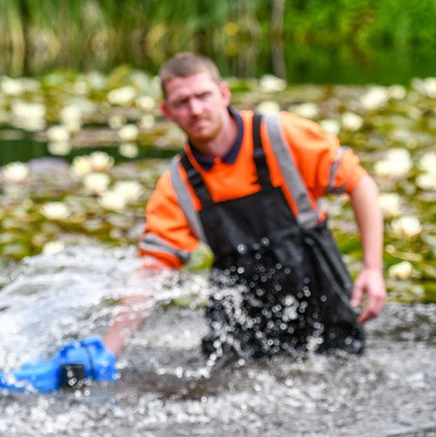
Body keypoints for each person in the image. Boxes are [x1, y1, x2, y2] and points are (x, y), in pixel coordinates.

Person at [100, 52, 386, 364]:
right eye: (182, 102)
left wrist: (372, 268)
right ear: (167, 112)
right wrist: (108, 351)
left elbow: (360, 185)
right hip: (243, 313)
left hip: (319, 290)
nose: (196, 110)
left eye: (203, 96)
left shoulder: (282, 136)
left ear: (224, 93)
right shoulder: (176, 187)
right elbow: (152, 272)